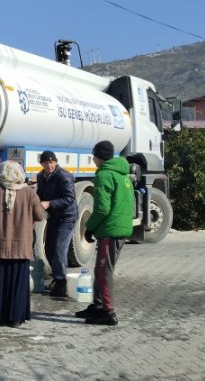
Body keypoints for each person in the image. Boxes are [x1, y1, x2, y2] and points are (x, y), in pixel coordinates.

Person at [0, 161, 45, 327]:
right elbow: (40, 215)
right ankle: (14, 319)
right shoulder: (29, 193)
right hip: (20, 248)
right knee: (16, 285)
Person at [77, 140, 133, 326]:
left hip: (110, 229)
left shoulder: (105, 175)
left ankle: (108, 312)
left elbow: (102, 209)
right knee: (100, 269)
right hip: (119, 228)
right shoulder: (123, 174)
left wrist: (90, 228)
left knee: (104, 271)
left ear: (99, 156)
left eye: (94, 155)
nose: (92, 158)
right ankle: (98, 306)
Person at [36, 150, 78, 297]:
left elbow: (69, 198)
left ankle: (61, 283)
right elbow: (40, 194)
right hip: (53, 217)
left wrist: (49, 203)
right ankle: (56, 278)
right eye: (46, 163)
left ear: (56, 162)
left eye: (51, 162)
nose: (49, 165)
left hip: (67, 217)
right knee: (49, 249)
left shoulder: (64, 176)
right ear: (41, 164)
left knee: (60, 248)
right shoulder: (41, 176)